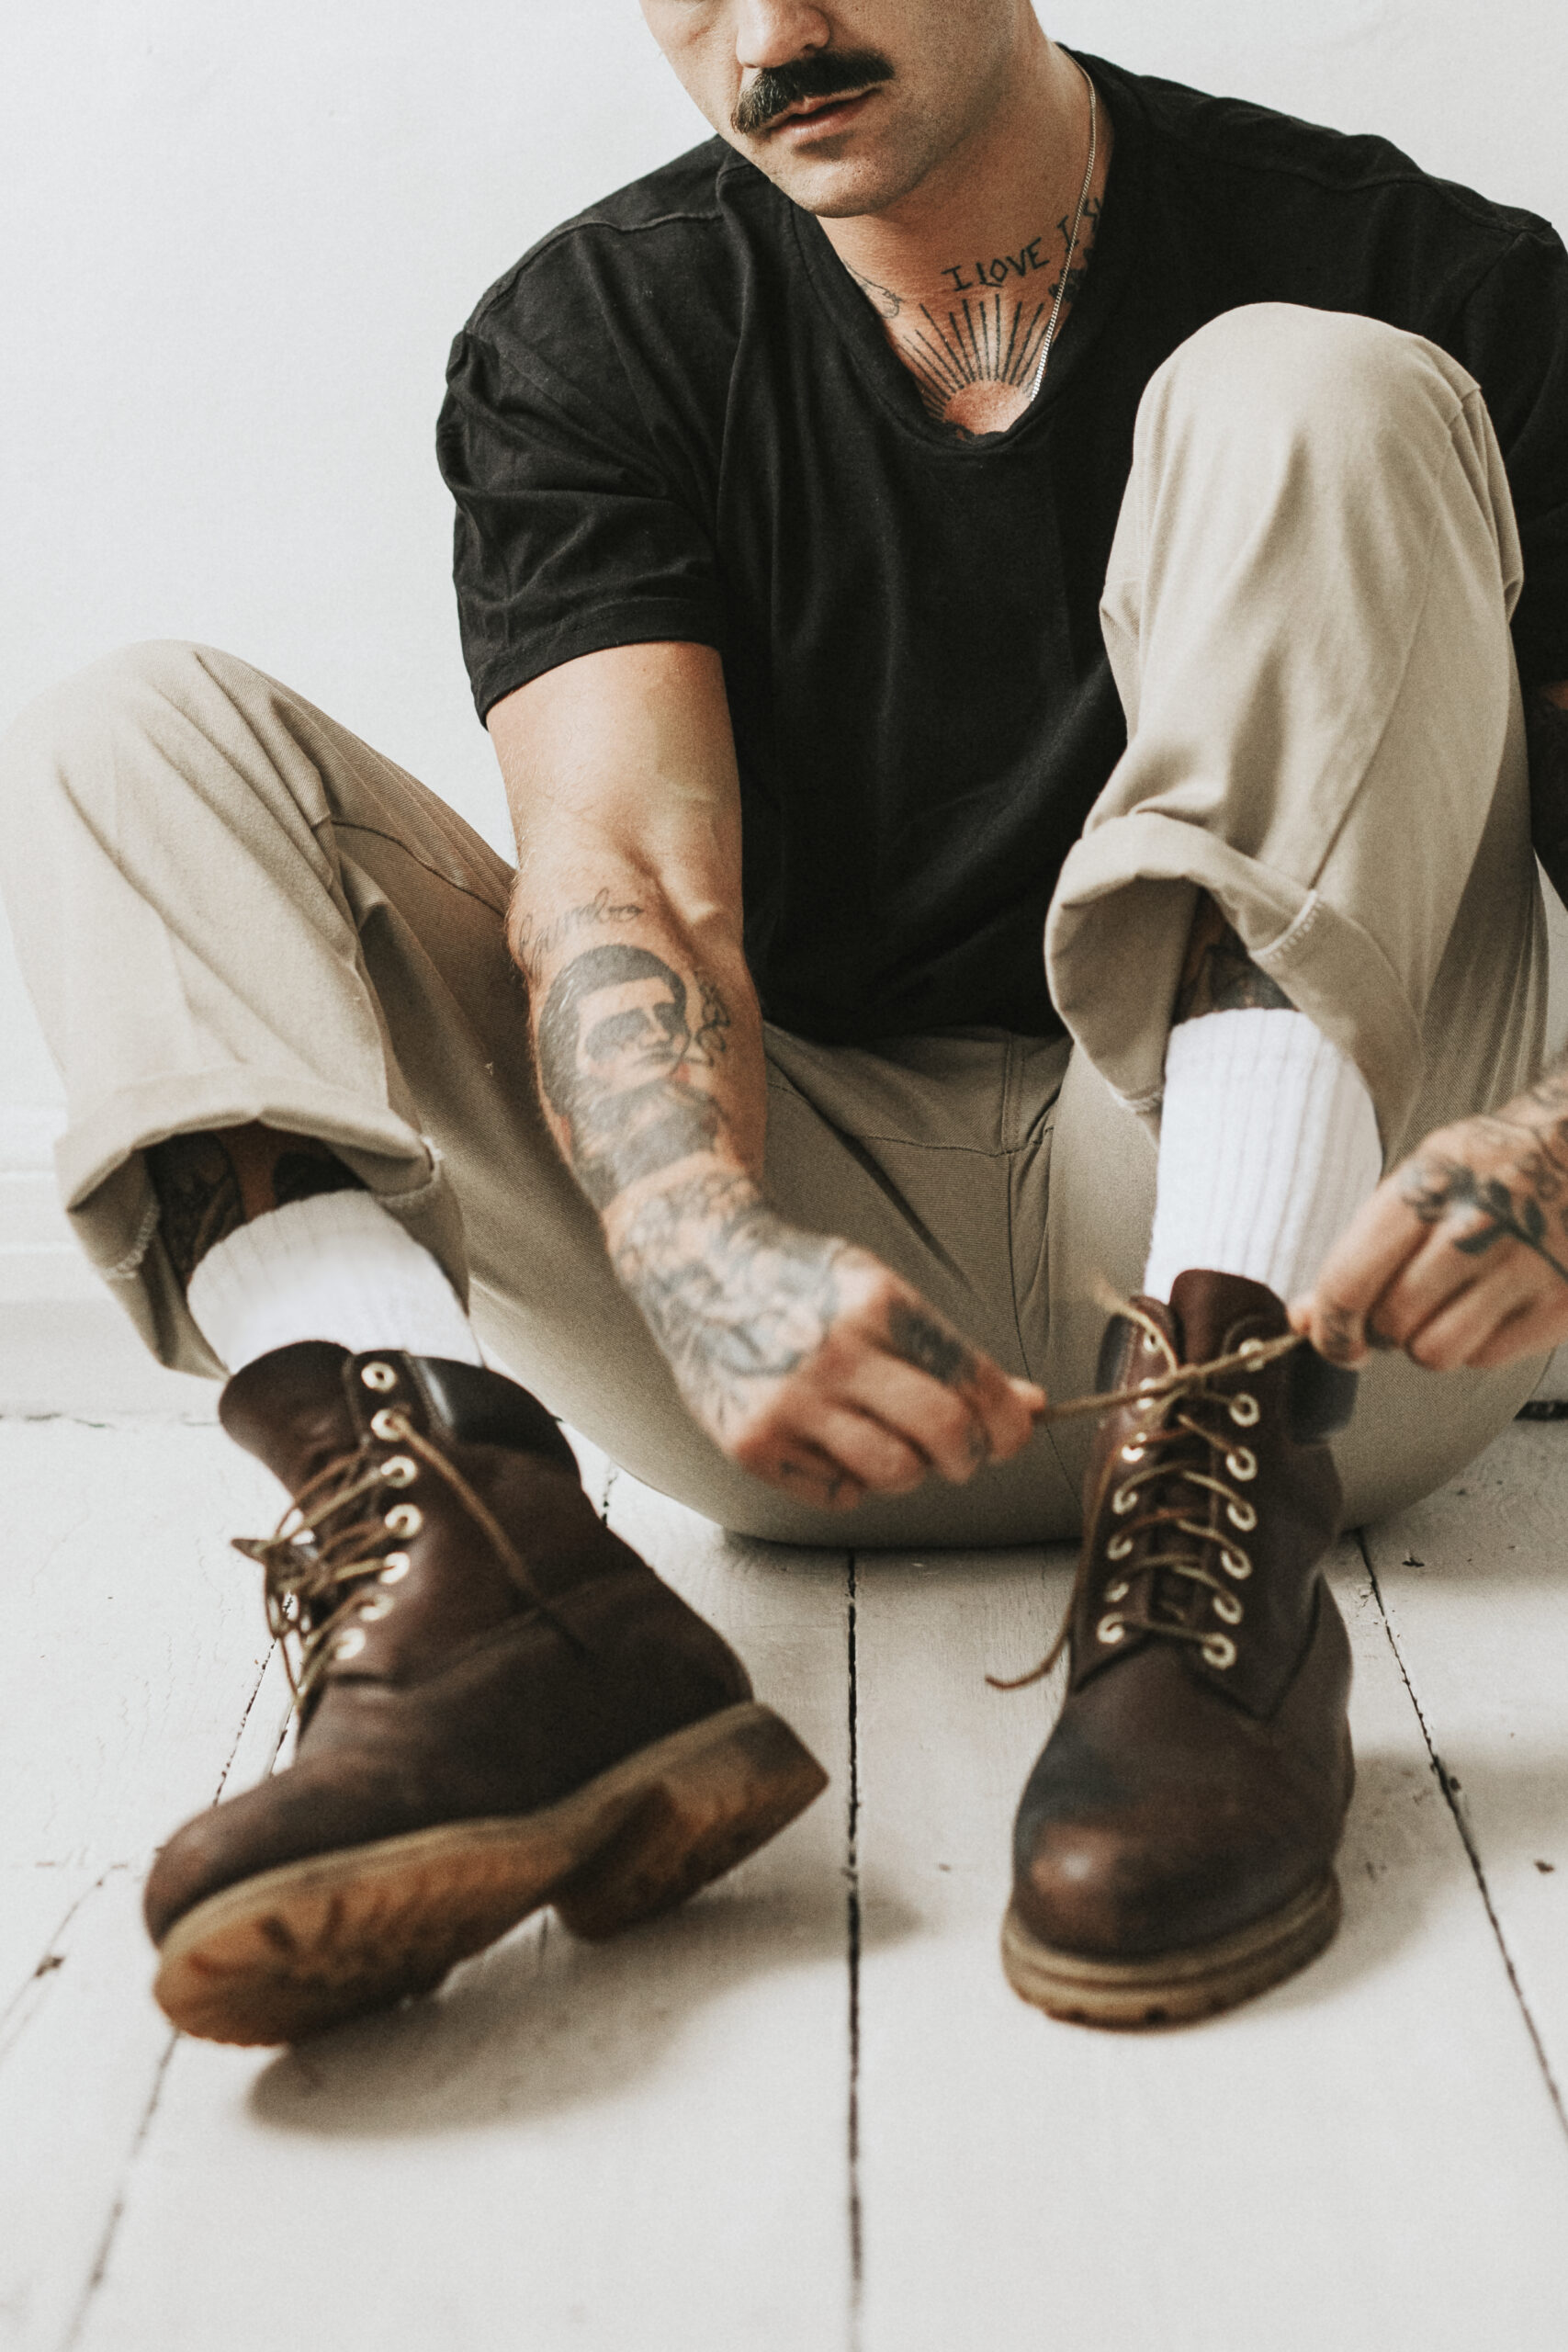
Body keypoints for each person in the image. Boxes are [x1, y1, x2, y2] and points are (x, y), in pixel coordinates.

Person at [5, 0, 1568, 2045]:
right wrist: (695, 1244)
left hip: (1335, 1297)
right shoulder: (596, 334)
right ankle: (489, 1600)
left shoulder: (1421, 272)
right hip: (804, 1328)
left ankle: (1211, 1502)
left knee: (1318, 390)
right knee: (132, 737)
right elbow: (632, 878)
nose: (773, 29)